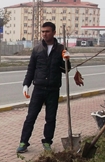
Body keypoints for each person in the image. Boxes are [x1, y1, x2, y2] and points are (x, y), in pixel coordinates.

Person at [16, 22, 71, 153]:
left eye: (47, 31)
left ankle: (47, 142)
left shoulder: (61, 49)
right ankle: (24, 142)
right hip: (39, 89)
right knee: (31, 117)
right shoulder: (37, 49)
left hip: (53, 89)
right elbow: (31, 68)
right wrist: (26, 84)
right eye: (43, 31)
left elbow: (66, 70)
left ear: (53, 32)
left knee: (51, 118)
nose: (45, 34)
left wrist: (66, 60)